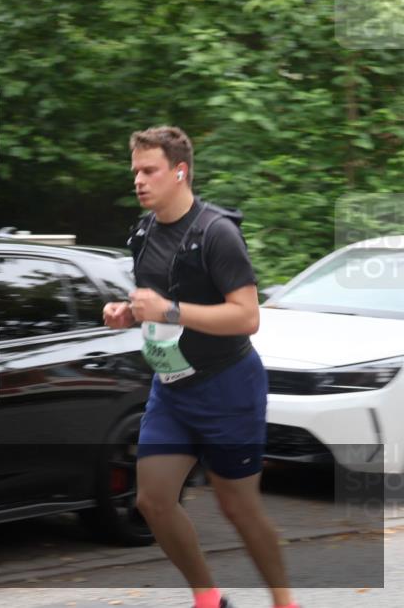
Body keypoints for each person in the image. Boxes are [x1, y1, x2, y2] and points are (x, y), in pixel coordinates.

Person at [103, 126, 298, 608]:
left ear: (180, 171)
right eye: (135, 172)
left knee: (238, 507)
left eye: (149, 171)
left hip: (228, 387)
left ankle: (284, 601)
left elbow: (248, 317)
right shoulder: (144, 231)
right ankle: (208, 597)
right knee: (152, 500)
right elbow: (158, 303)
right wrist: (127, 313)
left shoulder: (216, 233)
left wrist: (169, 311)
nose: (139, 181)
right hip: (171, 389)